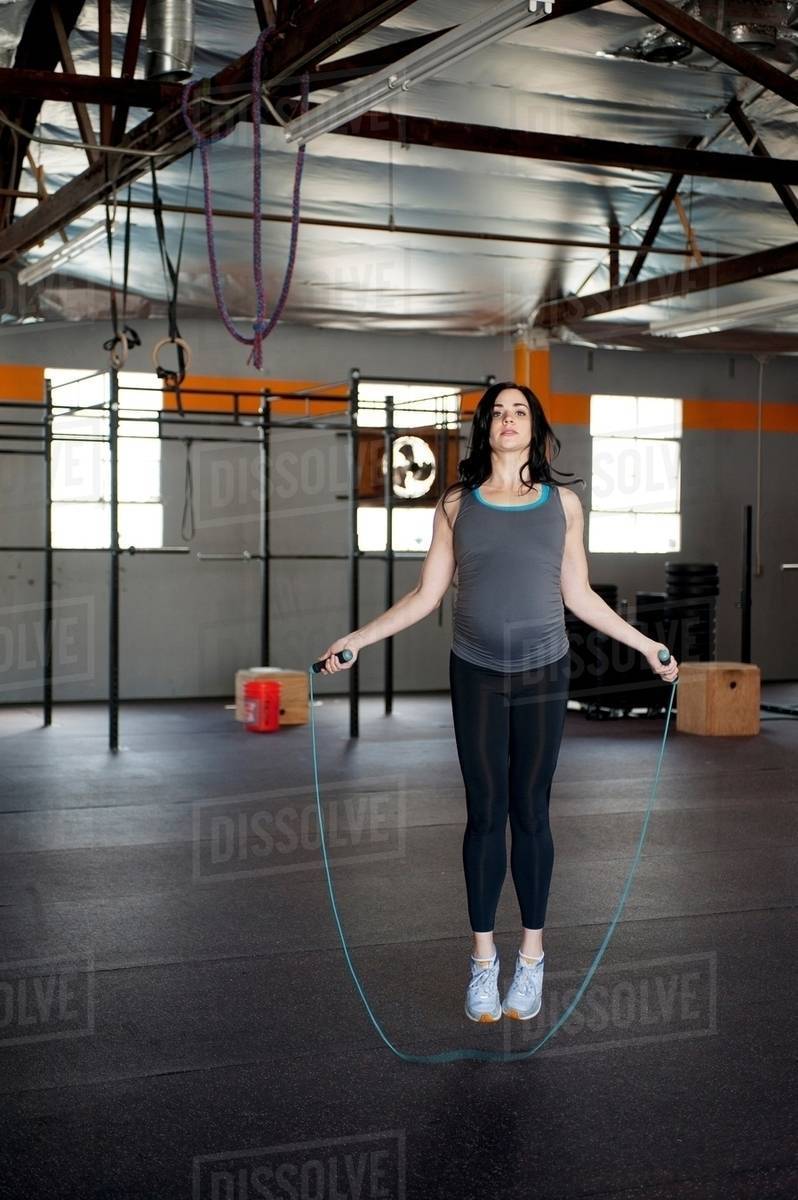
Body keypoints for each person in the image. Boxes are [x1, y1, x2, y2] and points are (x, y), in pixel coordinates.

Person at [316, 382, 679, 1025]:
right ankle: (483, 960)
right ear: (486, 430)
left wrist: (648, 645)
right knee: (485, 814)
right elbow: (427, 595)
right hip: (477, 673)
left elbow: (580, 595)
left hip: (543, 673)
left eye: (520, 411)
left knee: (531, 813)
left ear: (534, 429)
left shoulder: (562, 505)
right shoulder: (457, 504)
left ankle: (532, 958)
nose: (508, 420)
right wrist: (356, 640)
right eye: (498, 413)